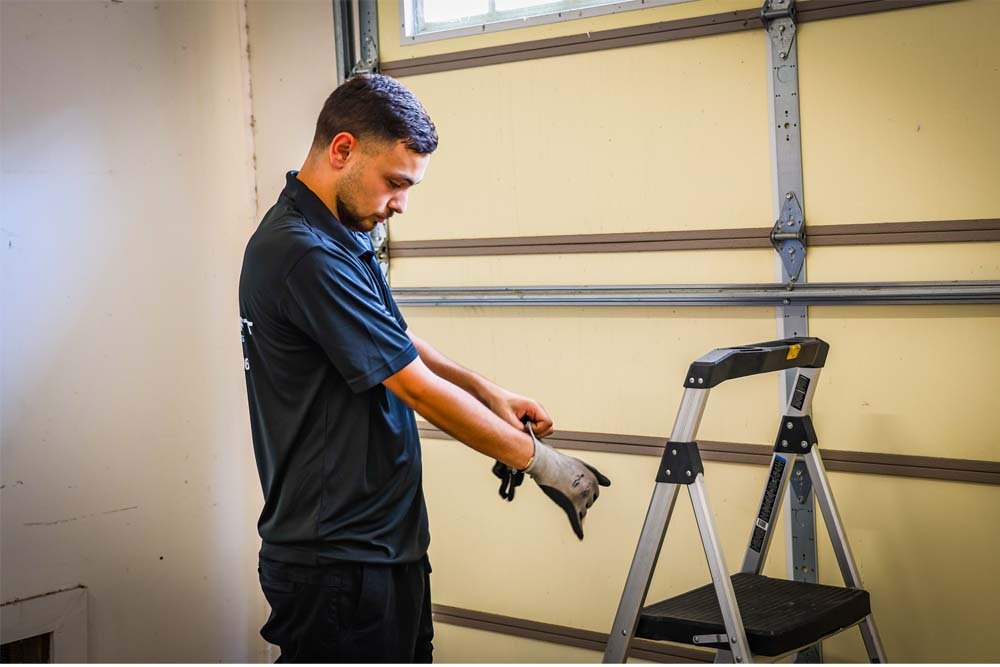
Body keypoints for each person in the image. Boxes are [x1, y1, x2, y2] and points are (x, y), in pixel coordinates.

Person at [238, 73, 610, 663]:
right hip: (337, 559)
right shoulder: (301, 251)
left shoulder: (341, 234)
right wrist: (546, 465)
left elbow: (398, 339)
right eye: (394, 183)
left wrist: (489, 392)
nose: (400, 204)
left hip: (385, 545)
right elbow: (414, 386)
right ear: (342, 150)